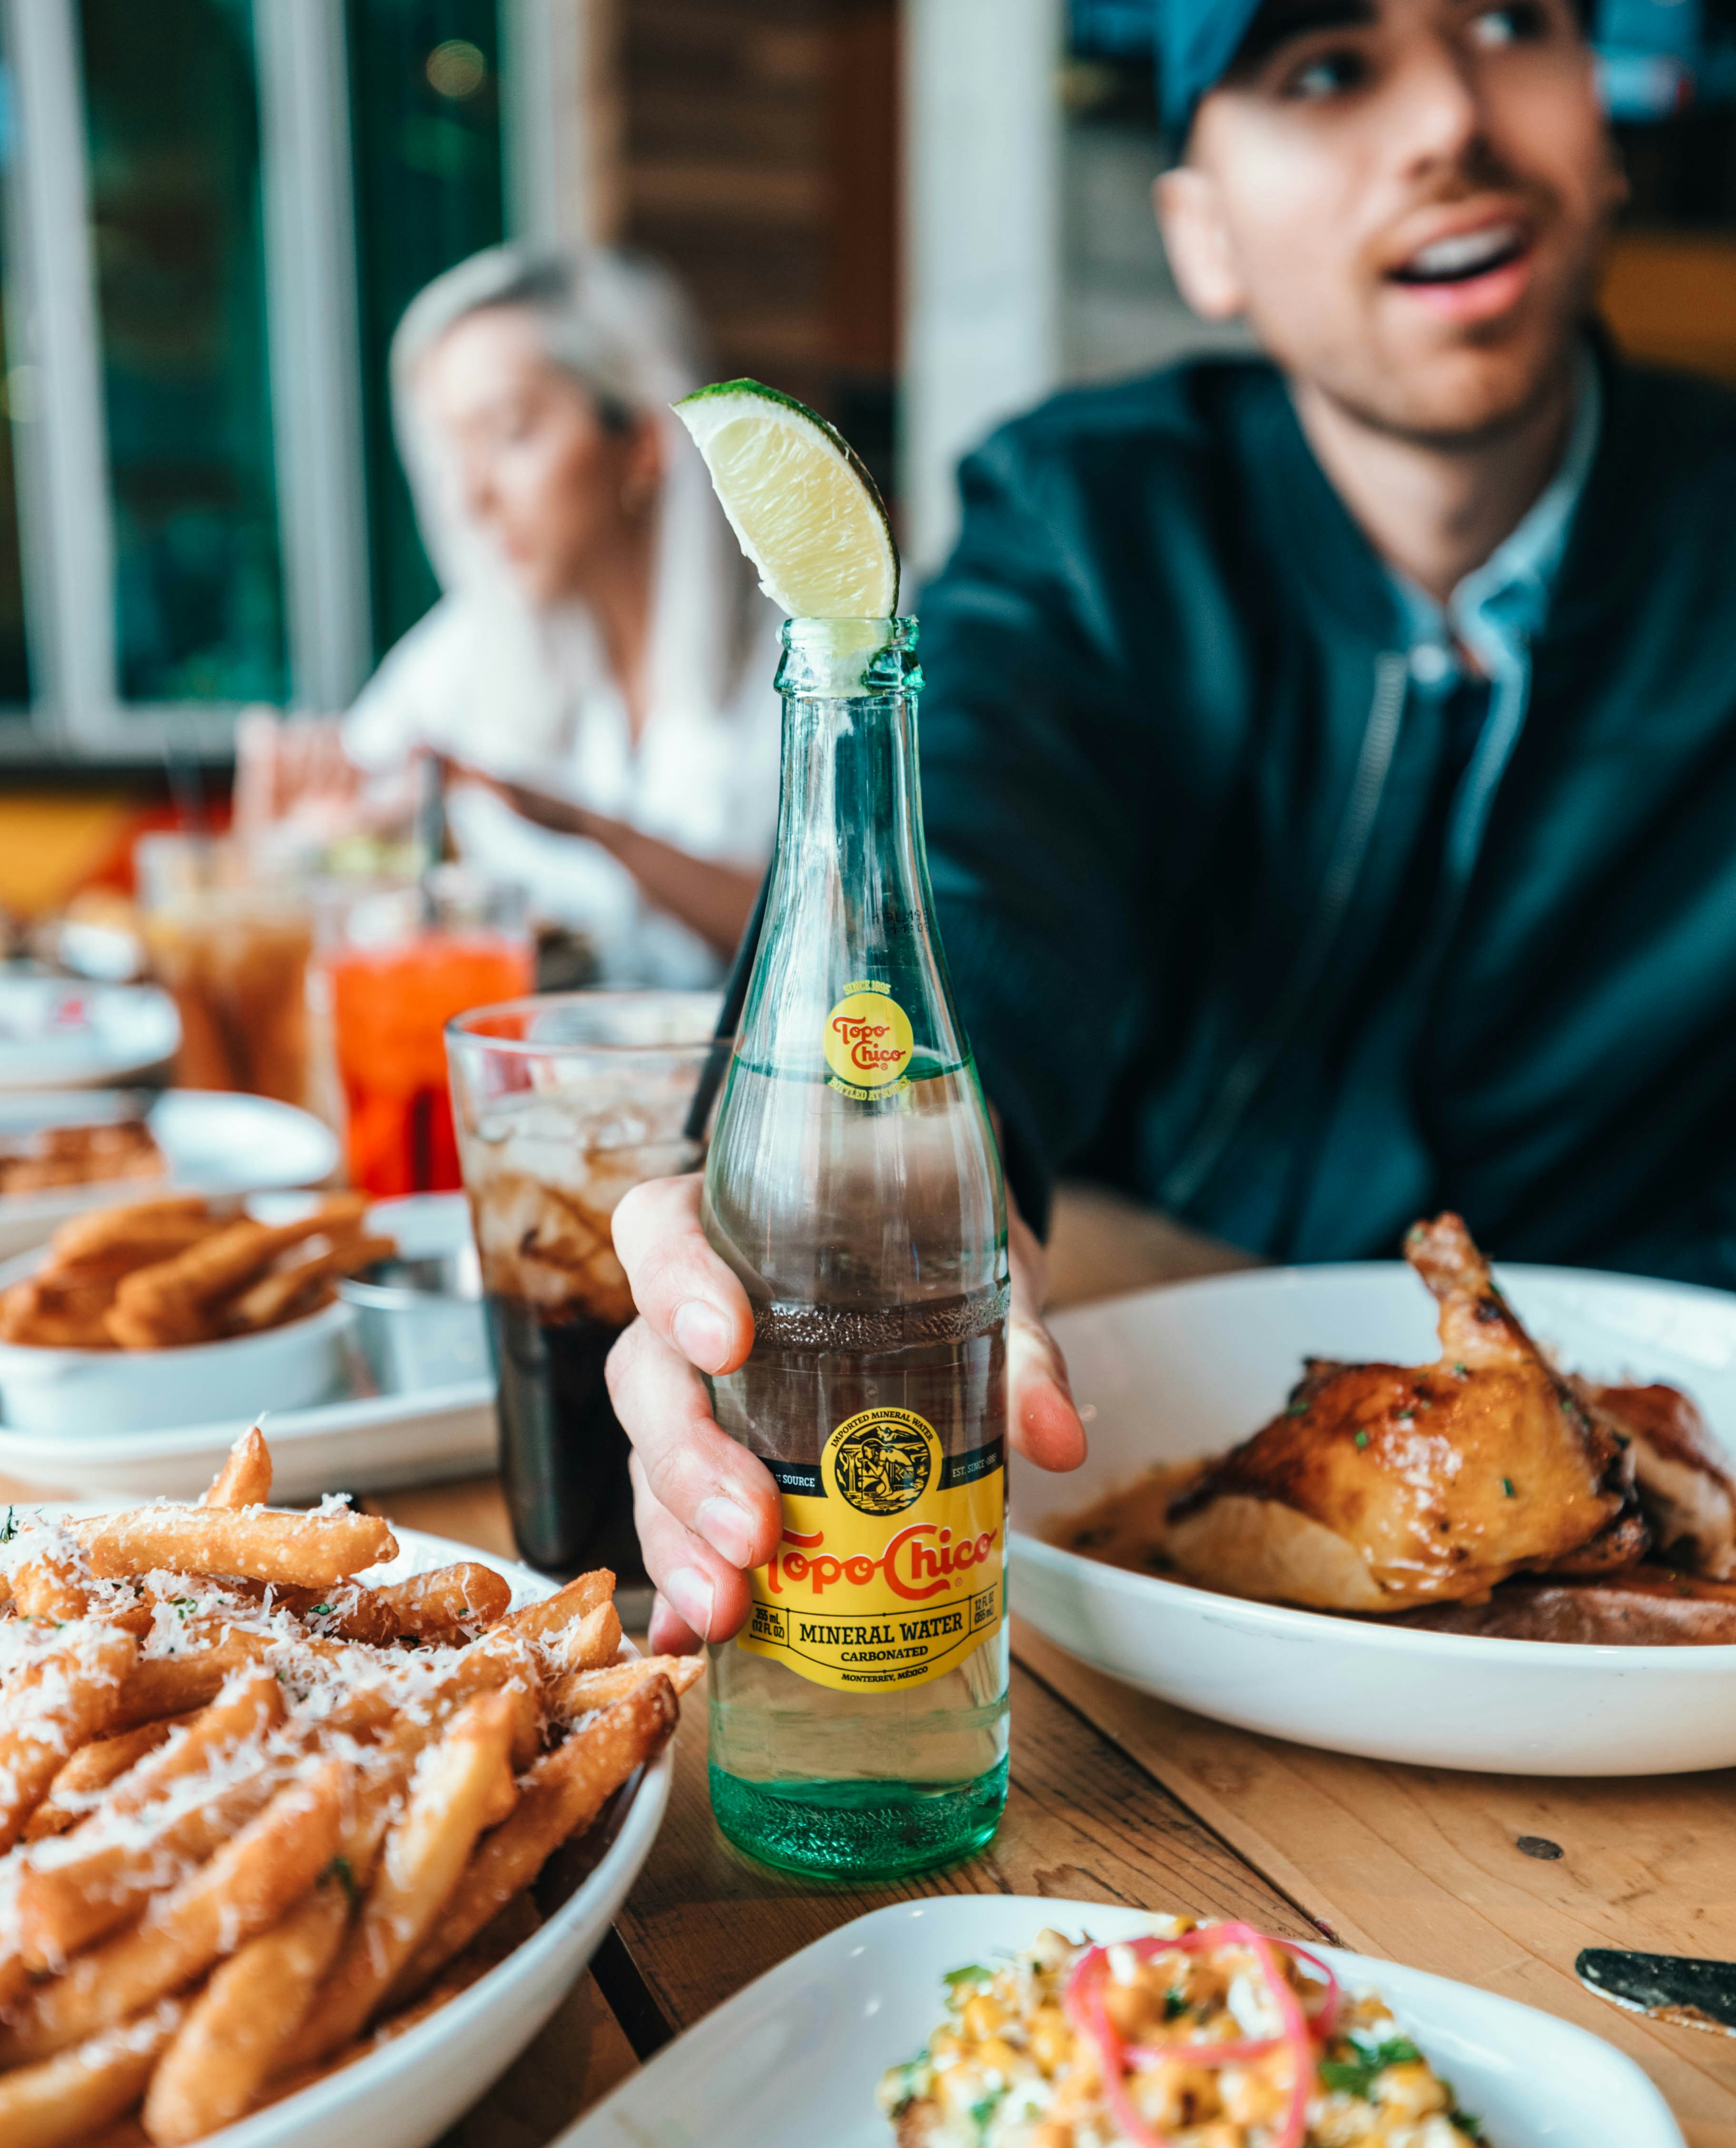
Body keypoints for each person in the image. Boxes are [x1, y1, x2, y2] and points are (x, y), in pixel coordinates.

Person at [610, 0, 1736, 1658]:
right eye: (1324, 68)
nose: (1443, 121)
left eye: (1508, 22)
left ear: (1600, 114)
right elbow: (969, 860)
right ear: (1198, 235)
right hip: (1131, 1615)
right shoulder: (1087, 523)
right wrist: (890, 1163)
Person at [235, 246, 781, 986]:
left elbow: (846, 934)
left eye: (508, 433)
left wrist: (588, 825)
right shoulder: (468, 646)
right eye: (449, 453)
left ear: (646, 443)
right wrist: (296, 839)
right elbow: (332, 830)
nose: (468, 498)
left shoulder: (810, 660)